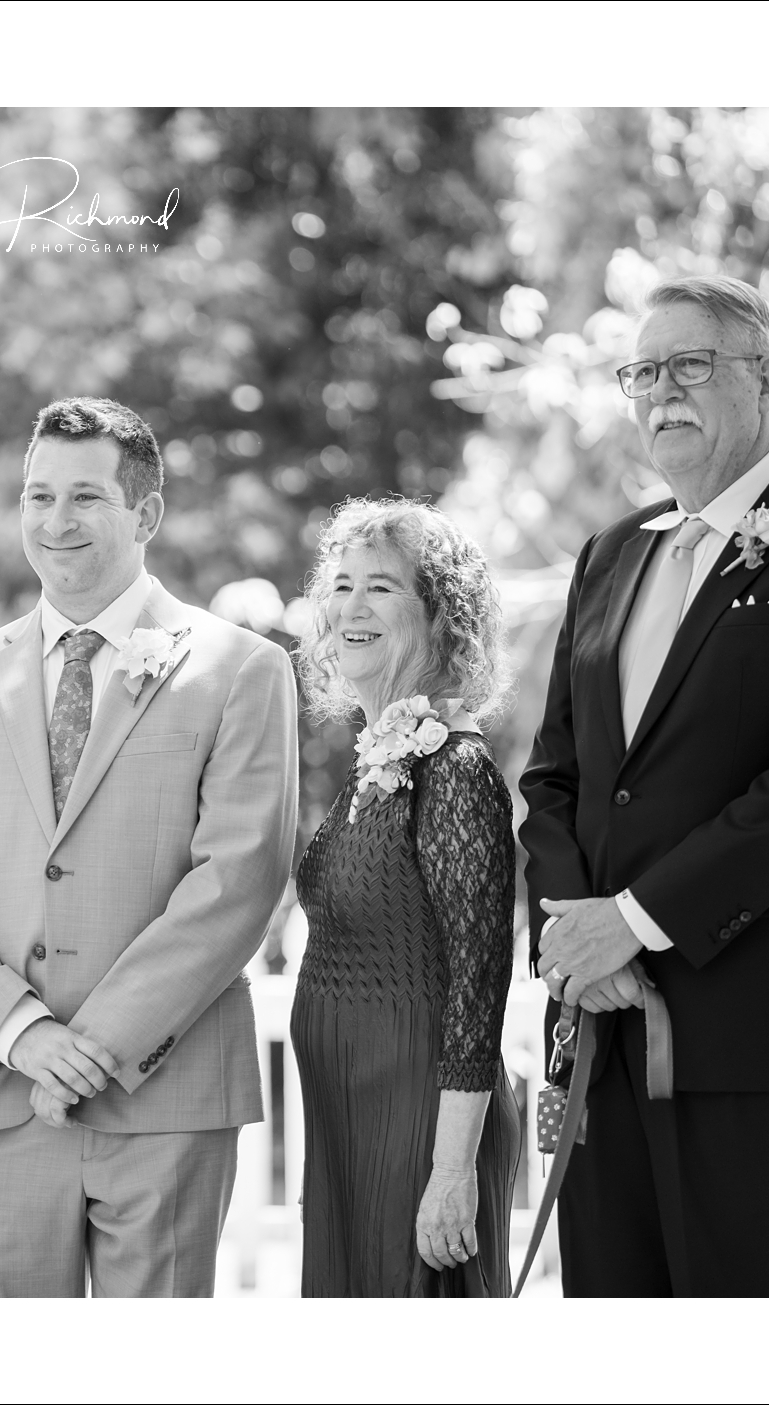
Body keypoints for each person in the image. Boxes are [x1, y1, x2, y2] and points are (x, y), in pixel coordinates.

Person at [521, 274, 769, 1295]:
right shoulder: (607, 556)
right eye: (641, 371)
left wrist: (635, 919)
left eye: (687, 365)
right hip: (601, 1027)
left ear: (764, 379)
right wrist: (577, 933)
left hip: (754, 1029)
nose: (659, 391)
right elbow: (553, 777)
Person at [0, 396, 299, 1297]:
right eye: (37, 496)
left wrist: (94, 1045)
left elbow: (238, 879)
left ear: (146, 514)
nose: (56, 521)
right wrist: (24, 1033)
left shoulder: (240, 667)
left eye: (85, 497)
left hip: (163, 1095)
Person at [288, 497, 522, 1296]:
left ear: (441, 615)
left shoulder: (453, 769)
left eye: (381, 587)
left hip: (420, 1131)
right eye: (342, 585)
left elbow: (478, 983)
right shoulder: (374, 759)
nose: (352, 607)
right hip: (350, 1125)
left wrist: (451, 1168)